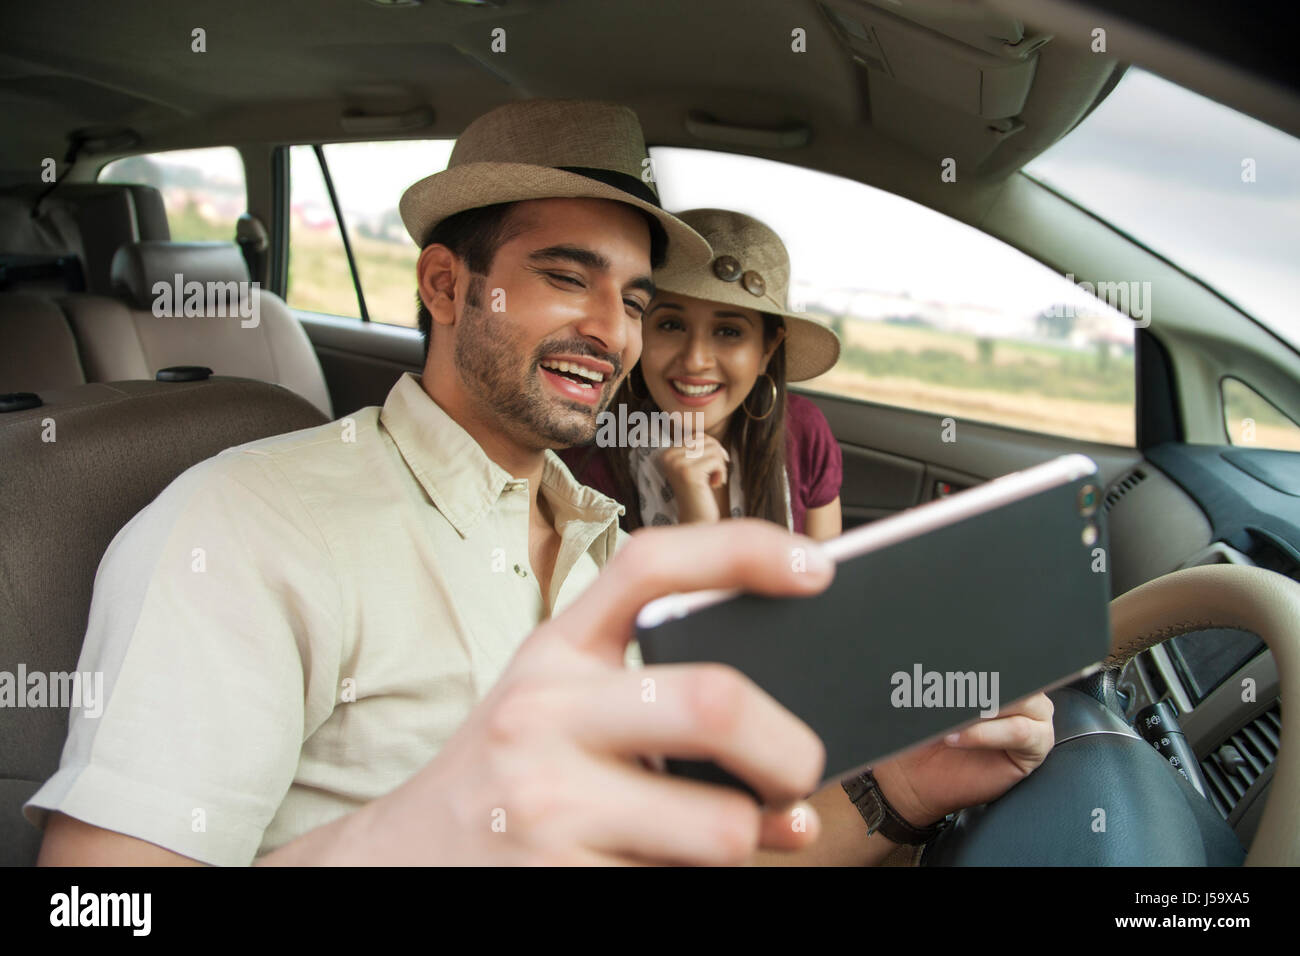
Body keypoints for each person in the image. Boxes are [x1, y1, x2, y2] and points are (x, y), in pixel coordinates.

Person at [31, 99, 1053, 866]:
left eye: (634, 299)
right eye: (567, 276)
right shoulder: (247, 528)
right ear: (444, 284)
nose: (610, 331)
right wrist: (411, 831)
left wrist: (907, 786)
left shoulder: (606, 547)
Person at [561, 209, 844, 540]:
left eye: (728, 331)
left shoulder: (803, 431)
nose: (695, 361)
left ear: (767, 348)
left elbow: (825, 584)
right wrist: (696, 526)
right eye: (670, 325)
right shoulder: (586, 458)